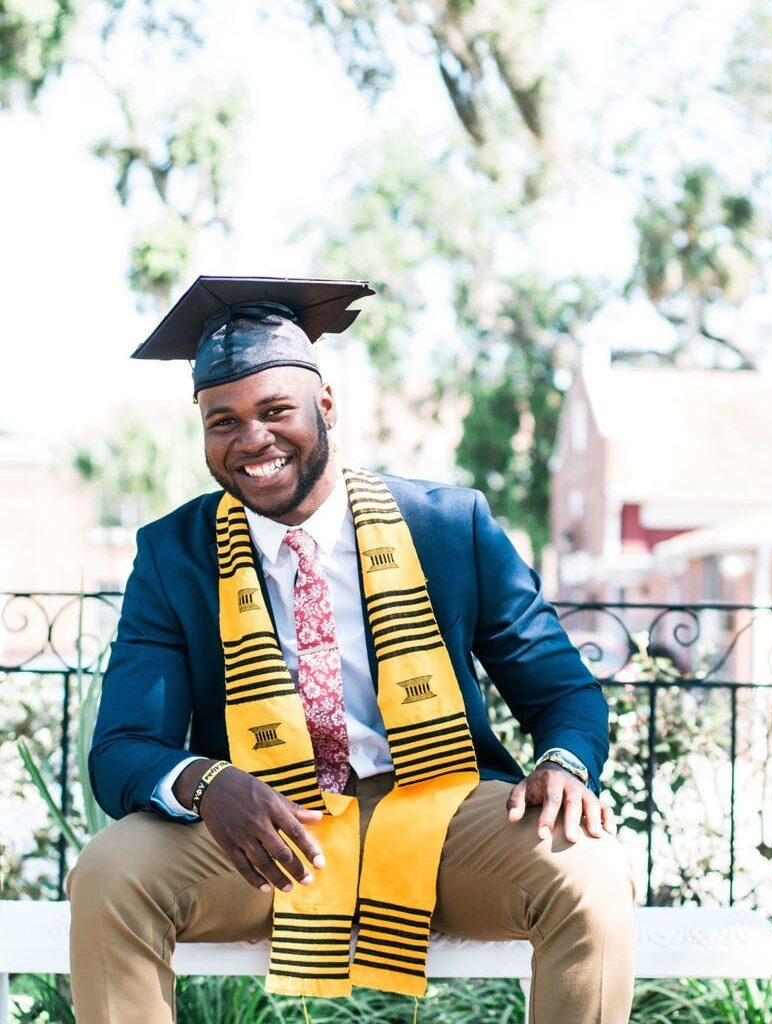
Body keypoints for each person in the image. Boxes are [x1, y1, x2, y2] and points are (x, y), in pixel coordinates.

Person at [68, 276, 635, 1024]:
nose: (251, 441)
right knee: (110, 874)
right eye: (223, 421)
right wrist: (208, 782)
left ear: (325, 406)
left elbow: (563, 692)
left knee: (589, 873)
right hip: (265, 830)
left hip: (438, 811)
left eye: (275, 411)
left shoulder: (448, 526)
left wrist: (562, 763)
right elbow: (121, 750)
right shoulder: (175, 554)